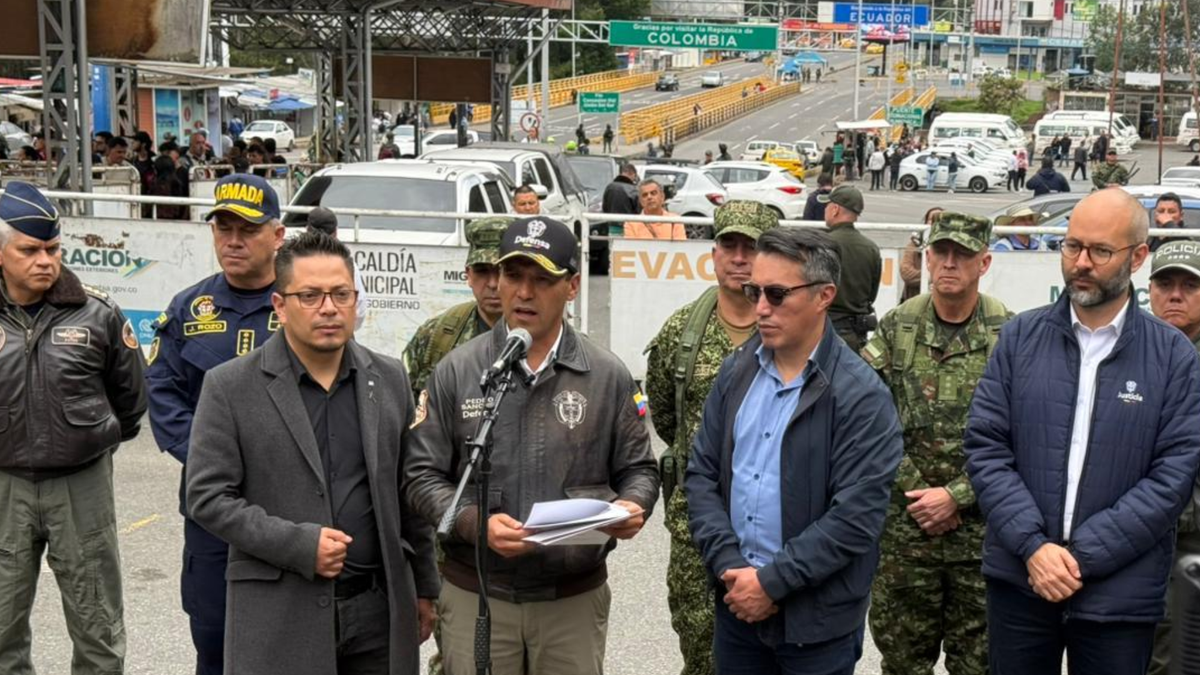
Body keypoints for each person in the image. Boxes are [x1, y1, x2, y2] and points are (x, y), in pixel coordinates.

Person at [404, 216, 659, 675]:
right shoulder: (458, 371)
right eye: (514, 276)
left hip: (571, 599)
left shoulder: (607, 375)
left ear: (572, 286)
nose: (524, 292)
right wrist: (472, 522)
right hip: (477, 592)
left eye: (542, 280)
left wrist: (631, 505)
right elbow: (420, 477)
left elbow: (640, 469)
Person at [964, 188, 1200, 675]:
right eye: (1073, 247)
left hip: (1120, 593)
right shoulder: (1018, 338)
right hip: (1021, 581)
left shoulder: (1174, 356)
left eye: (1100, 251)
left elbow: (1174, 475)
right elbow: (987, 448)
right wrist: (1034, 548)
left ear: (1137, 257)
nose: (1081, 263)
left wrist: (1081, 558)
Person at [185, 231, 438, 675]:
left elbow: (406, 492)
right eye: (310, 295)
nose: (328, 308)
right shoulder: (230, 386)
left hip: (376, 610)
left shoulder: (390, 377)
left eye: (341, 294)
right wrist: (298, 544)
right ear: (280, 306)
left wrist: (423, 586)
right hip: (281, 613)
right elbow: (206, 498)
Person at [686, 226, 903, 675]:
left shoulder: (861, 395)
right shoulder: (737, 371)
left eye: (777, 294)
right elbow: (702, 474)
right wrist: (731, 567)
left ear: (824, 296)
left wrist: (771, 583)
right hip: (736, 608)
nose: (760, 307)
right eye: (754, 291)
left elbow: (855, 518)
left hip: (815, 628)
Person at [0, 182, 147, 675]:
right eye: (29, 250)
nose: (44, 260)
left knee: (97, 623)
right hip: (4, 487)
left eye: (53, 249)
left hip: (80, 485)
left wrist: (88, 441)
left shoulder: (97, 313)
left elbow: (130, 401)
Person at [146, 174, 286, 675]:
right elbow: (162, 391)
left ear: (277, 235)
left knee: (289, 637)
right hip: (211, 504)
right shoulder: (190, 308)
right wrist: (207, 457)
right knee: (213, 633)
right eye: (222, 228)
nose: (232, 241)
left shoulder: (302, 304)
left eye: (246, 230)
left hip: (286, 504)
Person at [863, 212, 1012, 675]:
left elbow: (1029, 432)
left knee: (981, 665)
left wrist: (957, 496)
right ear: (927, 258)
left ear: (984, 262)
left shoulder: (1009, 334)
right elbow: (869, 420)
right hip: (907, 537)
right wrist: (919, 494)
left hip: (981, 537)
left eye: (962, 254)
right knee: (904, 663)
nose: (949, 263)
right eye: (941, 252)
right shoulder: (898, 326)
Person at [644, 202, 779, 675]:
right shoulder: (682, 332)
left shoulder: (790, 330)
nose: (739, 257)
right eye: (729, 245)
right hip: (696, 527)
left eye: (752, 247)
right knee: (703, 653)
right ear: (714, 251)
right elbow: (665, 417)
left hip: (774, 527)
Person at [1146, 241, 1200, 675]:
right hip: (1138, 538)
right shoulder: (1132, 349)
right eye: (1165, 284)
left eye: (1189, 285)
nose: (1175, 295)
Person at [401, 216, 510, 398]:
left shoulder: (542, 338)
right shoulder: (436, 335)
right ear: (468, 274)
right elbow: (402, 404)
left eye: (501, 270)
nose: (492, 283)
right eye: (482, 271)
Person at [822, 185, 881, 351]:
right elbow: (872, 294)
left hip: (824, 331)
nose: (825, 209)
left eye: (827, 205)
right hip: (855, 335)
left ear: (835, 210)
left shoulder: (822, 244)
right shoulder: (870, 247)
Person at [305, 207, 368, 329]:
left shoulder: (294, 263)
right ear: (335, 233)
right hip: (340, 335)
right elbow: (360, 310)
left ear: (307, 230)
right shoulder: (347, 264)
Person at [899, 207, 943, 302]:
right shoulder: (914, 244)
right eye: (932, 219)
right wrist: (936, 276)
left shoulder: (949, 249)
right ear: (926, 222)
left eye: (939, 220)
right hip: (913, 301)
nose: (935, 223)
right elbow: (907, 274)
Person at [602, 163, 641, 235]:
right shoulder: (634, 190)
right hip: (629, 227)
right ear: (633, 174)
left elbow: (605, 207)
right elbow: (638, 211)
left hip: (612, 226)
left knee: (613, 245)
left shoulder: (610, 187)